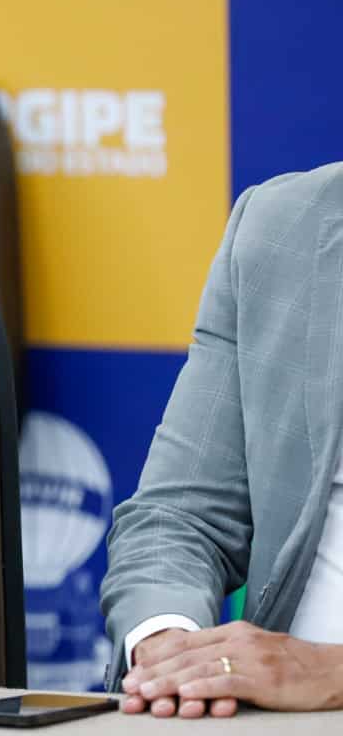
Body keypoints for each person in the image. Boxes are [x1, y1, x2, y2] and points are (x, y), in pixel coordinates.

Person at [102, 164, 343, 716]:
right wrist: (173, 652)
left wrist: (330, 671)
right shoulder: (282, 226)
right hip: (262, 718)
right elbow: (180, 517)